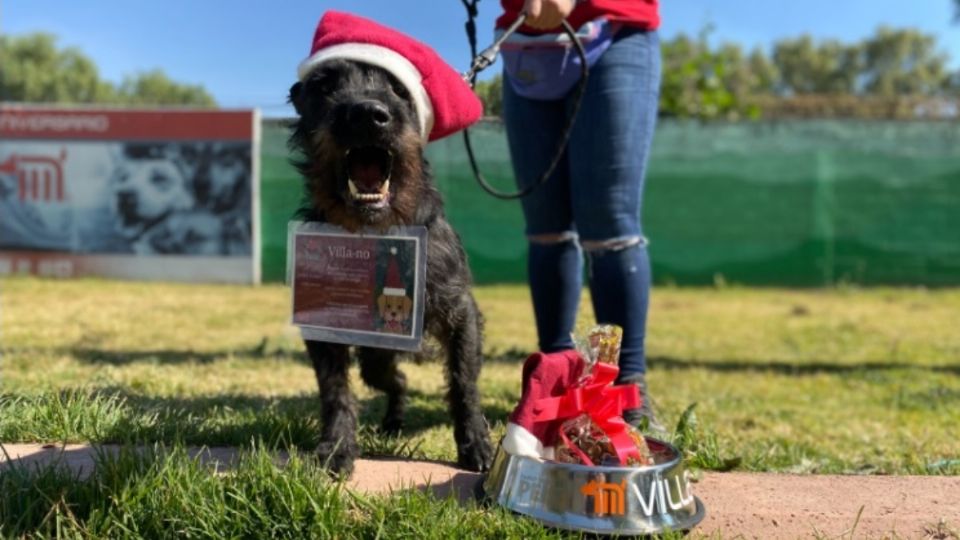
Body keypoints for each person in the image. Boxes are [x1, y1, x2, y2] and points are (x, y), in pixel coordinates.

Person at [496, 0, 663, 430]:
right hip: (525, 45)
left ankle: (626, 389)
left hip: (616, 31)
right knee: (545, 228)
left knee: (610, 225)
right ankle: (555, 378)